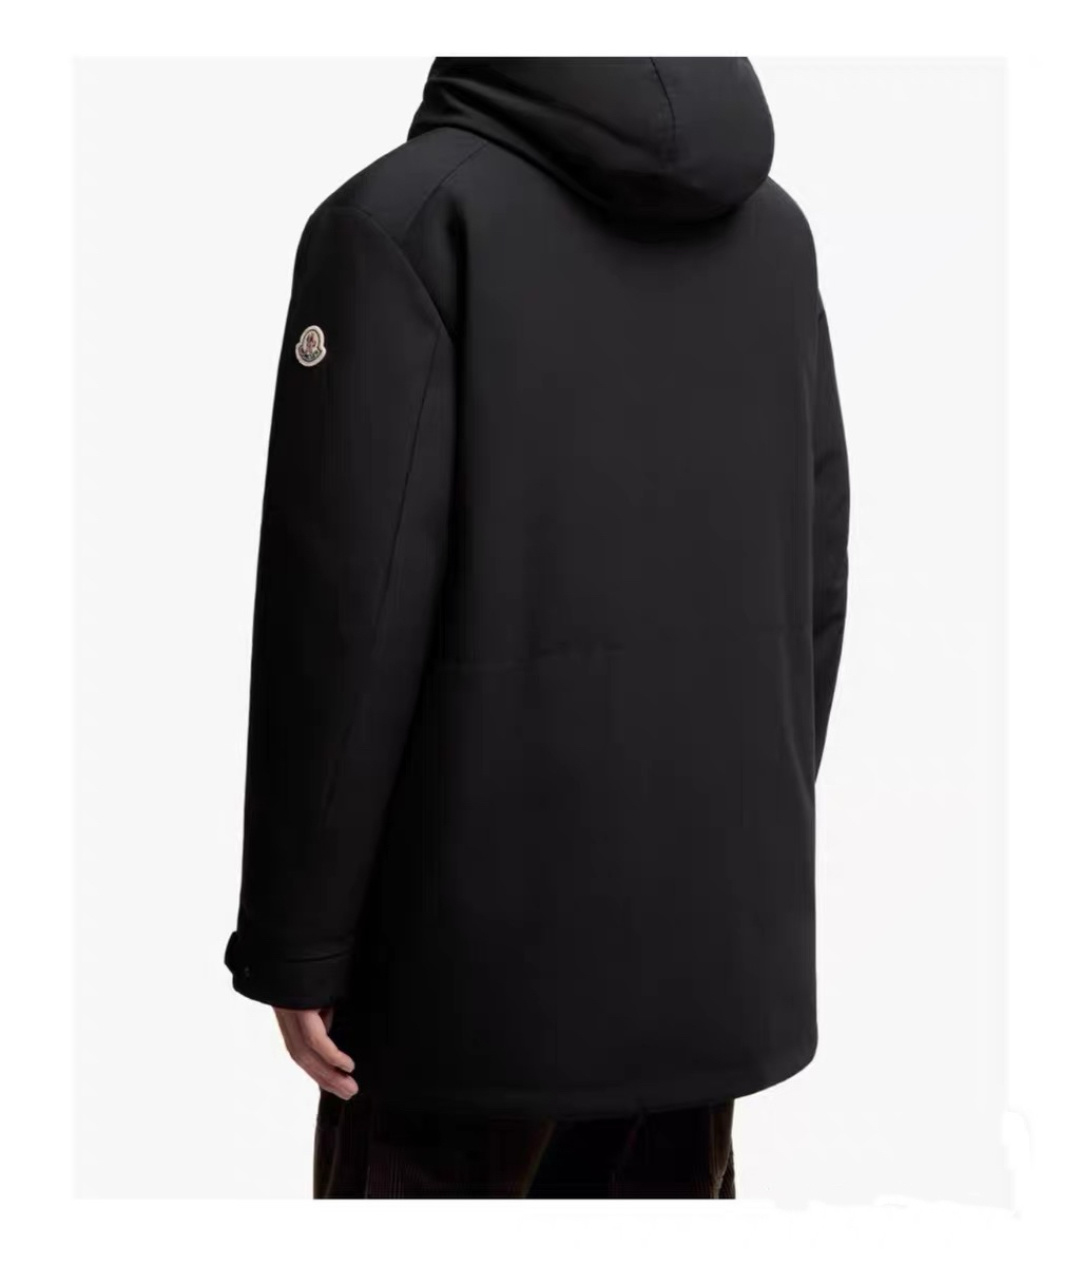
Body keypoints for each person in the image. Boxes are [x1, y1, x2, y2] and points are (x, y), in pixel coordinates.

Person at [224, 56, 850, 1199]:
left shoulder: (400, 224)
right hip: (704, 956)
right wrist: (729, 851)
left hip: (465, 990)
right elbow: (813, 580)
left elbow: (345, 616)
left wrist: (296, 935)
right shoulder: (773, 234)